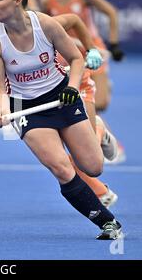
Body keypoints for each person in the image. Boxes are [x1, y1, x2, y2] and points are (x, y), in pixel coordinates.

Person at [0, 0, 123, 239]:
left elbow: (74, 58)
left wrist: (71, 87)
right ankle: (108, 223)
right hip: (25, 107)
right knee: (61, 168)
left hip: (61, 96)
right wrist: (2, 109)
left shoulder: (44, 24)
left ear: (17, 1)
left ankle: (99, 130)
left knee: (93, 167)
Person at [40, 0, 126, 164]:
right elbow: (43, 29)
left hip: (91, 50)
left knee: (101, 103)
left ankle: (98, 127)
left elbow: (111, 12)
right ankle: (97, 136)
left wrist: (114, 44)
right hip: (66, 55)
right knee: (79, 102)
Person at [51, 13, 119, 208]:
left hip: (76, 82)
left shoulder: (43, 24)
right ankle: (100, 191)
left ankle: (98, 129)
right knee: (54, 155)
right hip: (45, 92)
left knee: (88, 159)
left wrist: (92, 50)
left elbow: (74, 19)